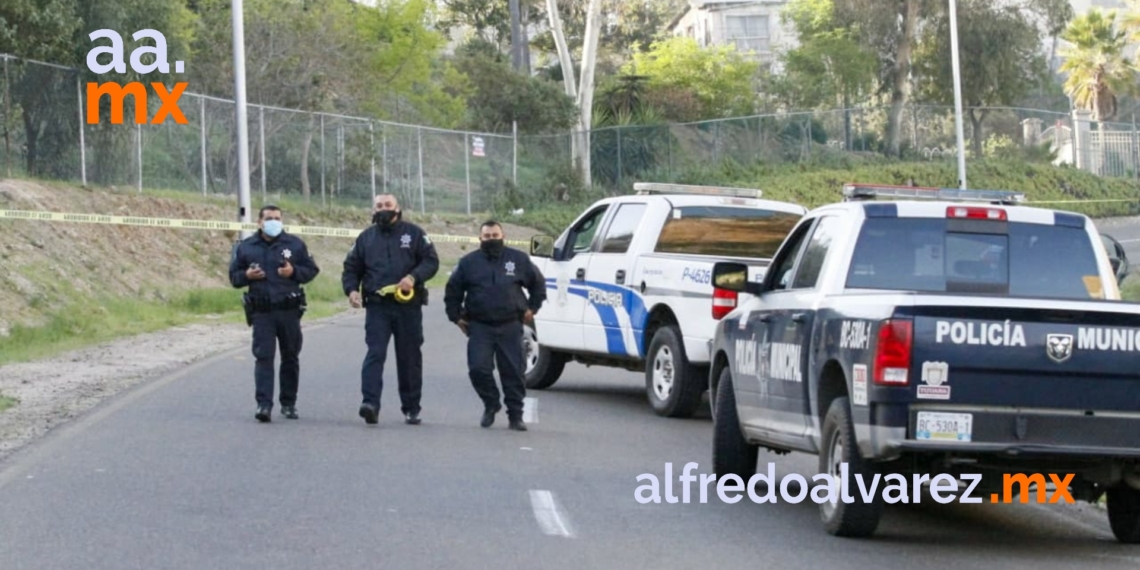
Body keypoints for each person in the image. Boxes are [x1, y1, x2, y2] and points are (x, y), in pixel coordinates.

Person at [342, 194, 439, 426]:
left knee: (409, 358)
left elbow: (431, 262)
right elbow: (351, 268)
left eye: (388, 205)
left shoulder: (414, 234)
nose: (383, 209)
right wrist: (352, 290)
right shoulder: (365, 238)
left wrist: (413, 277)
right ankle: (370, 404)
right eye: (379, 206)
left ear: (397, 208)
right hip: (377, 306)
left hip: (408, 306)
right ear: (373, 210)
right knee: (375, 353)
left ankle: (411, 408)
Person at [444, 220, 546, 431]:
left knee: (513, 372)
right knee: (478, 369)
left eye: (495, 235)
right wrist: (455, 317)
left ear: (503, 236)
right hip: (480, 326)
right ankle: (491, 403)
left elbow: (538, 283)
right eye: (487, 236)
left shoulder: (517, 259)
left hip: (510, 324)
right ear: (480, 238)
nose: (492, 239)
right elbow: (453, 291)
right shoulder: (468, 263)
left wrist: (532, 308)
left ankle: (515, 416)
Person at [229, 205, 320, 423]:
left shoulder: (294, 245)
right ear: (259, 222)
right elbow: (234, 277)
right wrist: (247, 275)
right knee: (264, 357)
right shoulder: (246, 247)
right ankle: (264, 405)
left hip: (289, 310)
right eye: (269, 218)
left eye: (277, 218)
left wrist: (293, 272)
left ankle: (288, 404)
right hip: (263, 312)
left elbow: (311, 270)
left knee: (290, 357)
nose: (274, 222)